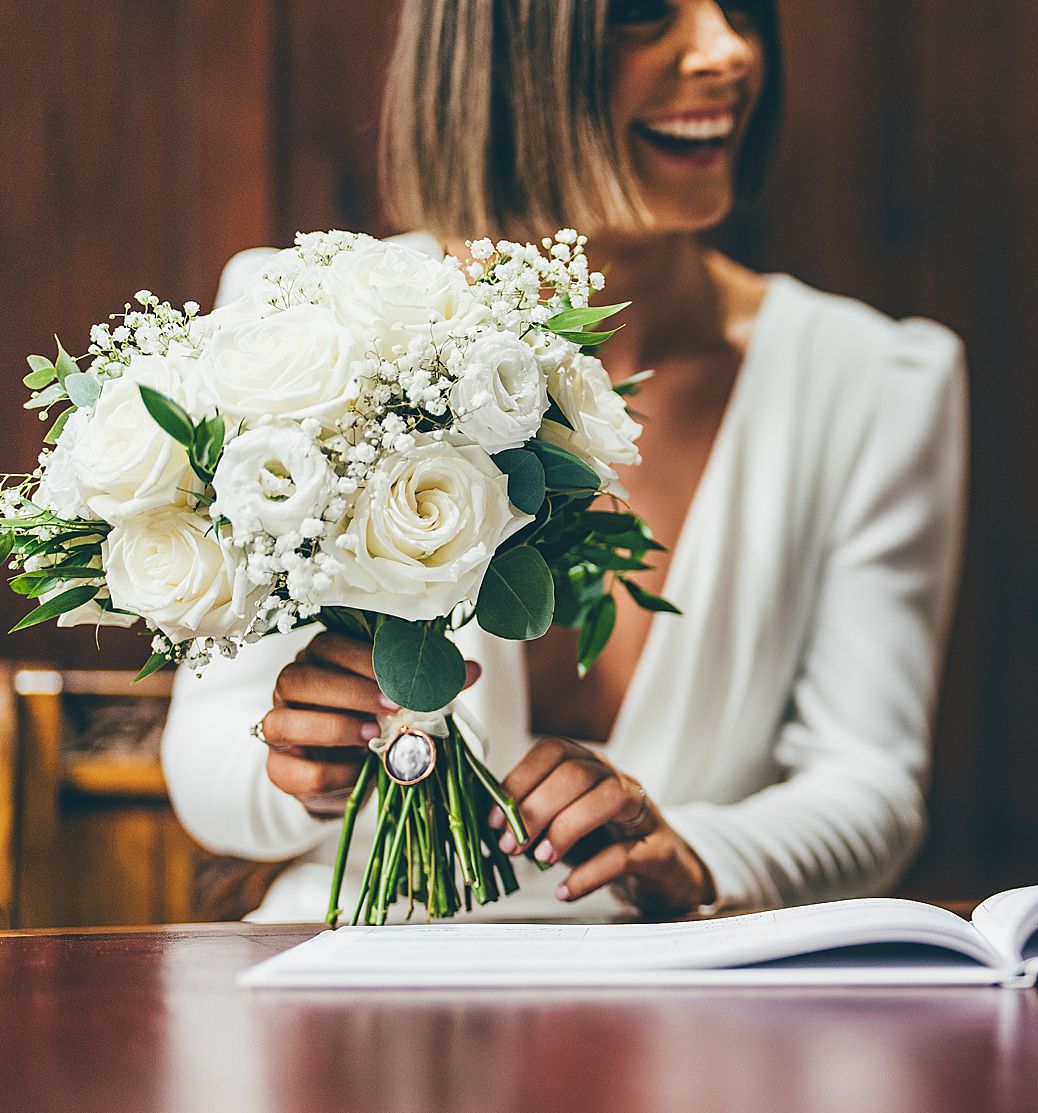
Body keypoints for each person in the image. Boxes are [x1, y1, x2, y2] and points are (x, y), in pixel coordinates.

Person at [163, 0, 967, 921]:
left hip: (693, 1019)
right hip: (349, 996)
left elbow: (869, 786)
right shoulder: (300, 334)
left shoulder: (872, 382)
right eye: (640, 14)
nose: (727, 51)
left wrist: (699, 853)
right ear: (500, 44)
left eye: (740, 8)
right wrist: (303, 765)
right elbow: (206, 764)